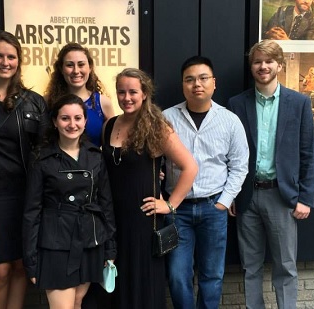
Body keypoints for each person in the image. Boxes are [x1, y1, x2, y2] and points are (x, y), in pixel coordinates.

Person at [227, 40, 314, 309]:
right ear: (251, 66)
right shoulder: (237, 104)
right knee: (250, 266)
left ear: (279, 64)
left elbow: (308, 153)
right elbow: (229, 154)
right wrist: (231, 193)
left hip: (282, 197)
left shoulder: (299, 103)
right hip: (246, 197)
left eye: (269, 61)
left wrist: (306, 197)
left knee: (286, 266)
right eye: (257, 61)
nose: (263, 66)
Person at [102, 68, 197, 308]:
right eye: (121, 92)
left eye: (133, 92)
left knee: (141, 281)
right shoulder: (110, 125)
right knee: (116, 279)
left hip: (142, 219)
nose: (127, 97)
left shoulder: (156, 127)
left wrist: (170, 204)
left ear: (144, 93)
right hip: (112, 217)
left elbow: (190, 167)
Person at [163, 56, 249, 309]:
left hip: (213, 208)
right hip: (178, 210)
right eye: (189, 80)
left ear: (214, 83)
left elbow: (239, 165)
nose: (196, 85)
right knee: (178, 276)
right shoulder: (166, 118)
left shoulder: (229, 121)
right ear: (182, 85)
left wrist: (223, 202)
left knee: (212, 275)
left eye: (202, 78)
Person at [0, 30, 49, 309]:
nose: (5, 62)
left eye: (11, 57)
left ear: (19, 61)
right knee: (0, 270)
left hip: (26, 193)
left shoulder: (33, 101)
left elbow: (44, 149)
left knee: (20, 266)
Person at [23, 94, 116, 309]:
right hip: (55, 243)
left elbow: (106, 204)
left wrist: (110, 249)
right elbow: (32, 211)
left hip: (89, 240)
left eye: (77, 118)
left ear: (85, 121)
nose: (72, 124)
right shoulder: (41, 158)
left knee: (77, 303)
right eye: (65, 118)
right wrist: (31, 259)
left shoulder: (95, 156)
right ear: (54, 122)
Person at [45, 42, 115, 147]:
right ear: (61, 69)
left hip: (94, 163)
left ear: (90, 67)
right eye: (69, 65)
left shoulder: (104, 103)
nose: (76, 71)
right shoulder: (47, 101)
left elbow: (110, 146)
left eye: (81, 64)